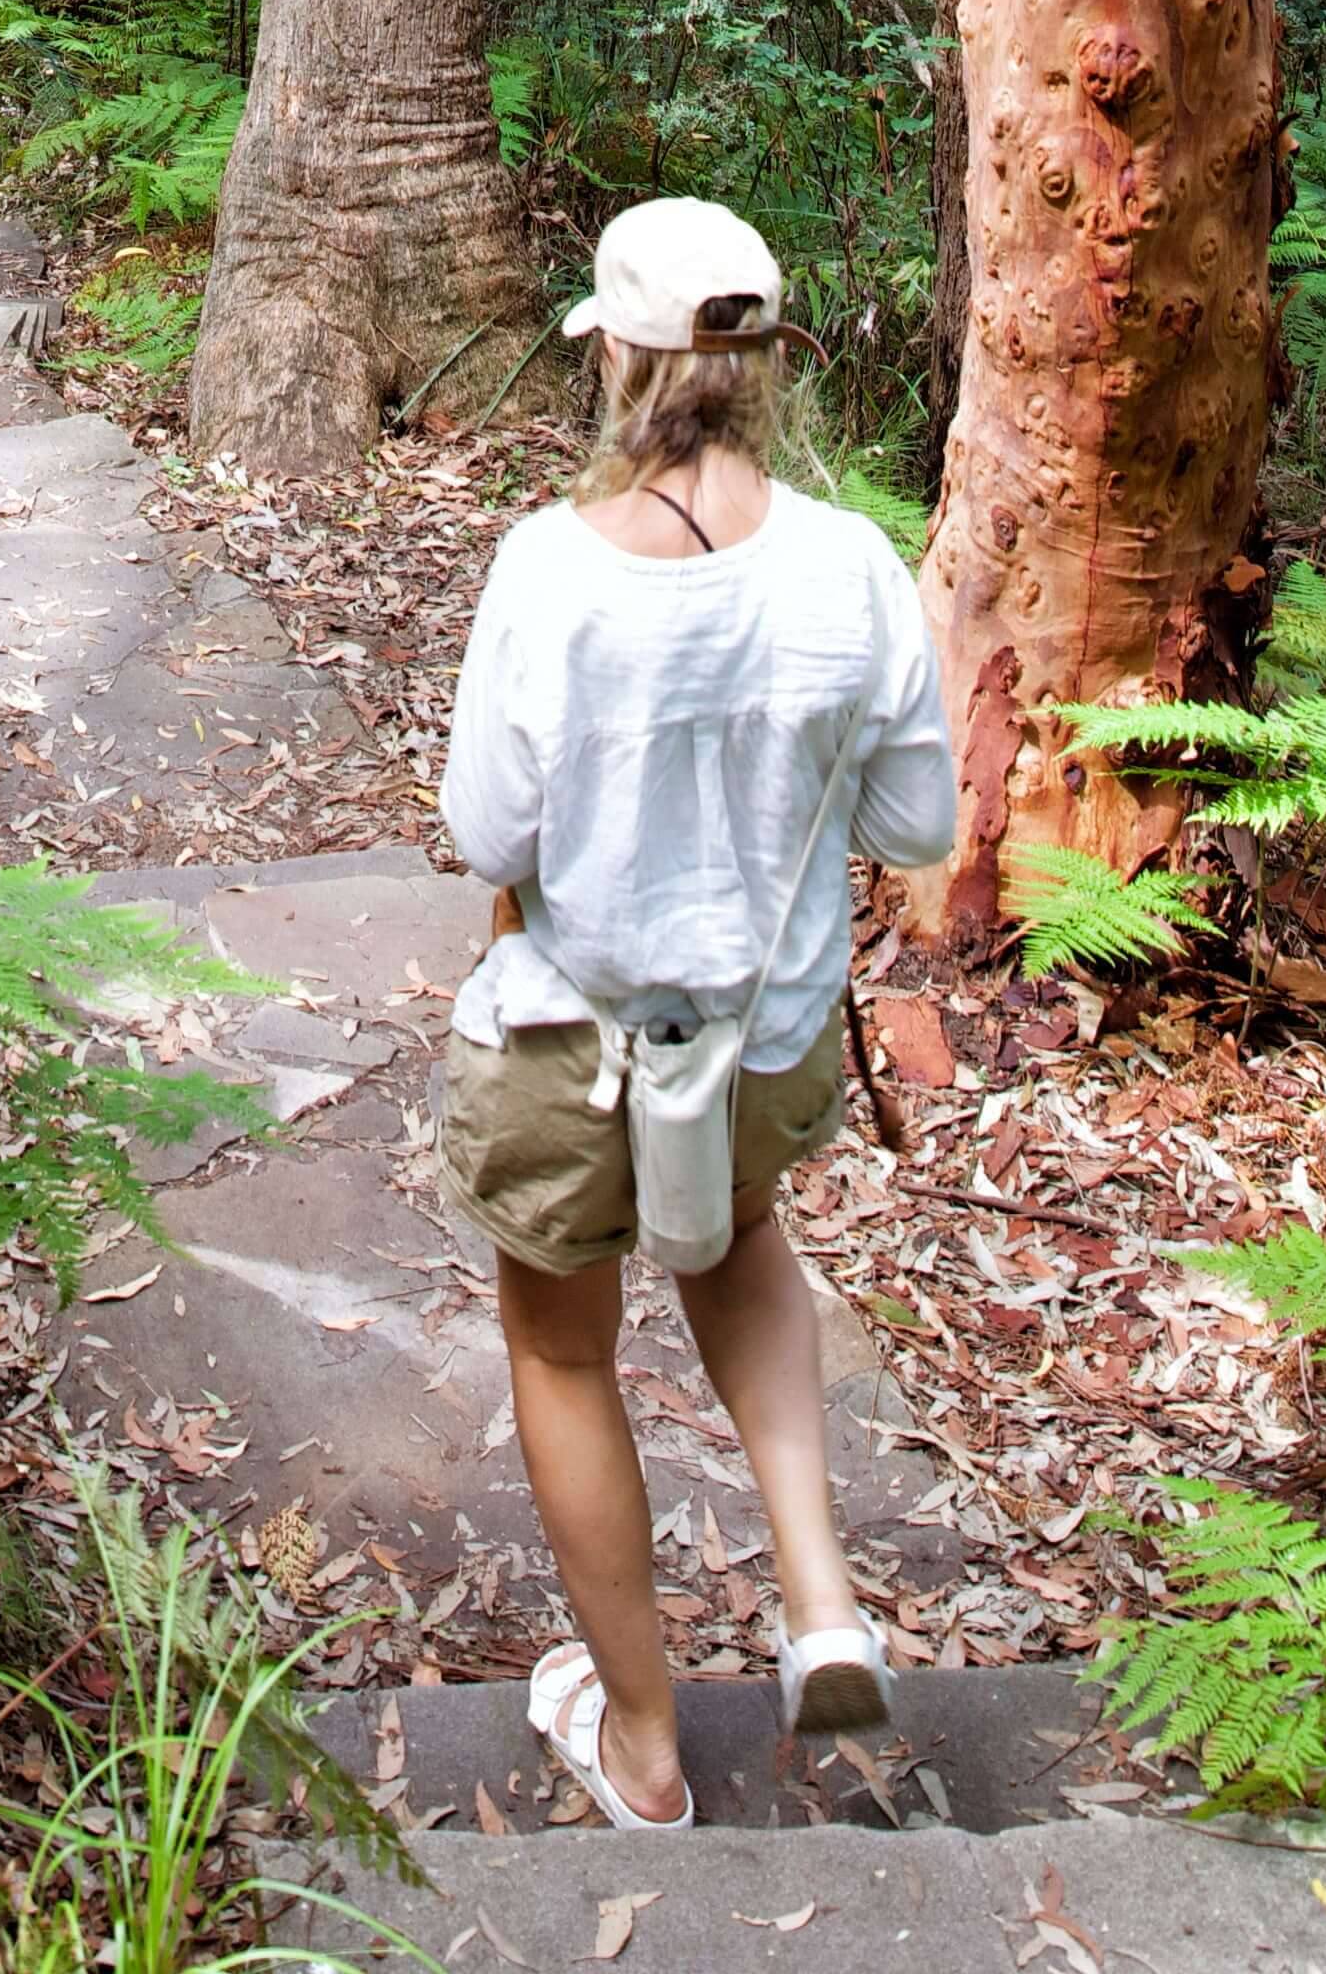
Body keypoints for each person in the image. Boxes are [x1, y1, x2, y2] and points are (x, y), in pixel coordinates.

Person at [434, 196, 958, 1831]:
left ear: (623, 365)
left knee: (562, 1345)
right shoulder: (852, 566)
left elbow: (488, 836)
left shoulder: (548, 571)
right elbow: (920, 825)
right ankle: (818, 1605)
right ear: (767, 367)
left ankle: (647, 1748)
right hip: (767, 1051)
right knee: (738, 1248)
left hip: (575, 1050)